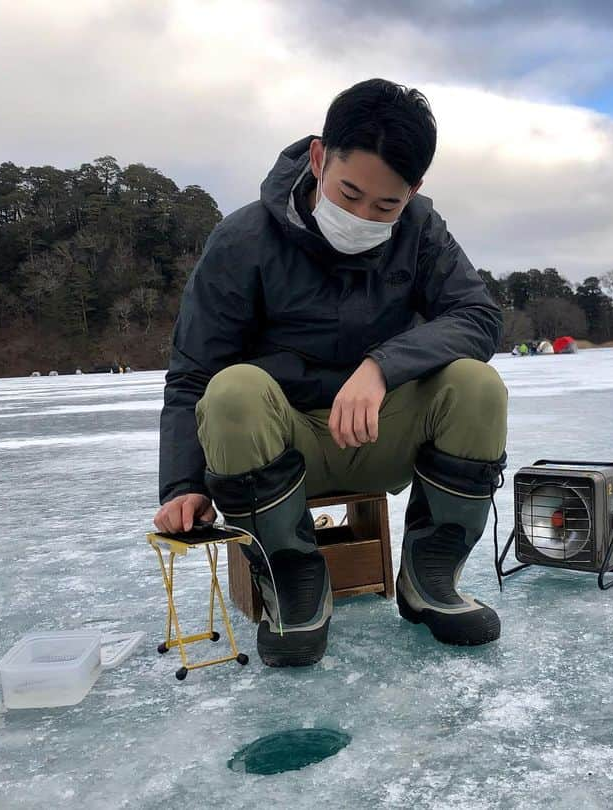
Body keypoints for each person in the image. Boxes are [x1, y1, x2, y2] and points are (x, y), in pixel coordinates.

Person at [153, 79, 508, 668]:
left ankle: (431, 578)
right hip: (281, 450)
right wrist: (182, 485)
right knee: (232, 391)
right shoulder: (243, 240)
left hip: (379, 433)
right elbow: (193, 373)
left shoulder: (421, 229)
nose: (363, 215)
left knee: (476, 386)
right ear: (319, 158)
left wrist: (381, 365)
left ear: (414, 191)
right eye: (349, 193)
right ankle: (294, 585)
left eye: (385, 205)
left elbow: (477, 316)